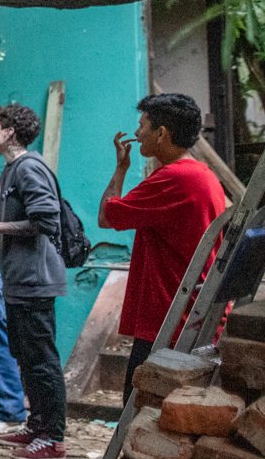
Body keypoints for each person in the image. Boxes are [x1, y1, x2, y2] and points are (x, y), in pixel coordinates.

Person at [97, 93, 228, 399]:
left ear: (162, 133)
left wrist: (120, 169)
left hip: (170, 318)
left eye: (142, 125)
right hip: (187, 311)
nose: (137, 133)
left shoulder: (174, 179)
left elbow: (106, 216)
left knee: (140, 409)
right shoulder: (201, 174)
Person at [0, 103, 68, 459]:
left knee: (42, 361)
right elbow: (26, 212)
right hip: (19, 282)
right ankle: (37, 425)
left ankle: (53, 438)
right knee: (27, 358)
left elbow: (46, 219)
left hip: (35, 281)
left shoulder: (29, 167)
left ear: (10, 132)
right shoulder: (13, 167)